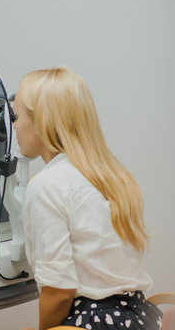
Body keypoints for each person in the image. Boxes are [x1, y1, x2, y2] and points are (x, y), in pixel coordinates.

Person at [13, 66, 162, 330]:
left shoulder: (47, 185)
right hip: (141, 319)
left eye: (17, 115)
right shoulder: (115, 178)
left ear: (40, 121)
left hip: (93, 322)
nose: (14, 125)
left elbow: (59, 293)